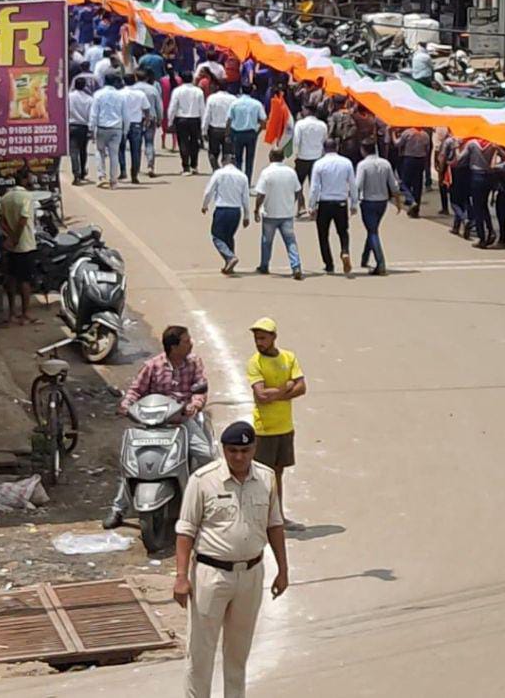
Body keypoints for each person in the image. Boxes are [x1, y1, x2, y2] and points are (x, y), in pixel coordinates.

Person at [175, 421, 288, 698]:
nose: (239, 457)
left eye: (246, 450)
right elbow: (185, 530)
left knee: (238, 654)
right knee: (201, 653)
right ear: (223, 450)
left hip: (251, 574)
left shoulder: (266, 478)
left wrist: (283, 570)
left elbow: (274, 523)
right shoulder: (203, 480)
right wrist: (180, 577)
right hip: (211, 576)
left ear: (254, 449)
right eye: (233, 450)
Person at [106, 325, 213, 530]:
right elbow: (135, 390)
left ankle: (206, 500)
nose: (190, 344)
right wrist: (126, 405)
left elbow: (200, 389)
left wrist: (194, 405)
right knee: (131, 463)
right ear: (173, 347)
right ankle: (118, 509)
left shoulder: (194, 363)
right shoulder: (152, 366)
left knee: (207, 454)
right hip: (152, 423)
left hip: (181, 421)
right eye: (186, 341)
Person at [246, 318, 307, 528]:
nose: (259, 342)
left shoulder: (288, 357)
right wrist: (286, 388)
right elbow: (261, 395)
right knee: (263, 476)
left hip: (284, 427)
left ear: (273, 337)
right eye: (256, 338)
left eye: (262, 338)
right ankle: (261, 517)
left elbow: (302, 388)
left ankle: (277, 516)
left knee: (278, 473)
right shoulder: (255, 362)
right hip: (264, 429)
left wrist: (277, 393)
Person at [252, 148, 304, 280]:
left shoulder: (267, 172)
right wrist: (292, 202)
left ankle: (264, 265)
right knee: (290, 241)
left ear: (270, 157)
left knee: (266, 241)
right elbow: (298, 190)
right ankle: (296, 266)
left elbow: (260, 194)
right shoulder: (291, 172)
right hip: (286, 213)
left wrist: (256, 209)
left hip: (270, 213)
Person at [308, 141, 357, 276]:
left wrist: (311, 206)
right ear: (336, 148)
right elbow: (352, 184)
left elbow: (314, 187)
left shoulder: (319, 164)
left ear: (324, 149)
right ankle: (345, 251)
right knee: (343, 231)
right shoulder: (346, 163)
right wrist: (354, 203)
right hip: (341, 202)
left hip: (325, 202)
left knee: (323, 235)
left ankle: (329, 264)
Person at [0, 170, 39, 324]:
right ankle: (25, 314)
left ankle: (11, 313)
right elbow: (23, 220)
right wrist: (15, 238)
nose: (31, 180)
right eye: (29, 178)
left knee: (11, 279)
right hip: (25, 244)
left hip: (10, 246)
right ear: (23, 180)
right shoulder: (27, 197)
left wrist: (10, 236)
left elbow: (1, 221)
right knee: (25, 281)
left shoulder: (6, 197)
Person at [355, 141, 402, 275]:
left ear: (363, 150)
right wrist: (398, 202)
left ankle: (380, 263)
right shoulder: (385, 163)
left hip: (368, 201)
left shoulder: (362, 165)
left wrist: (352, 201)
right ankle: (365, 257)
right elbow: (393, 185)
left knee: (372, 231)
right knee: (373, 229)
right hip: (382, 202)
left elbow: (357, 185)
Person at [201, 157, 251, 275]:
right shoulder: (242, 176)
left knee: (216, 236)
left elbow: (209, 191)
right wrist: (246, 216)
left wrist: (205, 205)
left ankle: (229, 257)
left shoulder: (219, 173)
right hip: (236, 211)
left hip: (222, 209)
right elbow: (246, 198)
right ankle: (229, 265)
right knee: (229, 237)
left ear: (224, 162)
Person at [91, 73, 127, 187]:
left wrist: (91, 128)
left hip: (102, 127)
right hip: (116, 128)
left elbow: (94, 113)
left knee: (99, 151)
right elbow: (126, 115)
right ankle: (113, 180)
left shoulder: (98, 95)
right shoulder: (120, 96)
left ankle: (101, 176)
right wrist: (125, 130)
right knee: (114, 154)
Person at [170, 72, 206, 175]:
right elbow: (202, 107)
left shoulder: (177, 91)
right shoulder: (198, 91)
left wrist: (170, 120)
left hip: (181, 119)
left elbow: (173, 106)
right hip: (195, 119)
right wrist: (203, 122)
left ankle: (186, 167)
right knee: (195, 142)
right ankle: (194, 165)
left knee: (183, 143)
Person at [227, 89, 267, 178]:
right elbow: (264, 121)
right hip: (251, 134)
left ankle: (238, 180)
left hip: (237, 133)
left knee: (237, 159)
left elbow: (229, 120)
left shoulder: (235, 103)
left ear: (241, 91)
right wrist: (257, 132)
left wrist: (227, 134)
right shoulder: (257, 104)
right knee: (250, 160)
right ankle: (247, 182)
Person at [395, 126, 431, 215]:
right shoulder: (425, 135)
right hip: (421, 159)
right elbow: (427, 149)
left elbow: (398, 144)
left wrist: (392, 133)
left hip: (409, 158)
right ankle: (416, 210)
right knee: (417, 185)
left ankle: (411, 200)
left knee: (404, 183)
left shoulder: (407, 133)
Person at [119, 73, 148, 182]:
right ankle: (134, 174)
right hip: (136, 123)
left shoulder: (119, 94)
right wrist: (147, 120)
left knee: (120, 148)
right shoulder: (140, 94)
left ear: (123, 81)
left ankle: (123, 170)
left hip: (122, 123)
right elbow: (146, 108)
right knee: (136, 150)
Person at [67, 76, 95, 185]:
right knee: (83, 150)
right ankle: (83, 171)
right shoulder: (89, 99)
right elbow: (91, 116)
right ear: (84, 86)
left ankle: (76, 174)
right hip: (84, 126)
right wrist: (91, 129)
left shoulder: (69, 97)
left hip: (71, 125)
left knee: (74, 151)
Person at [203, 85, 236, 171]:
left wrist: (204, 130)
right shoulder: (233, 99)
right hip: (228, 129)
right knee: (228, 153)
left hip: (214, 129)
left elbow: (207, 115)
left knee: (212, 152)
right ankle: (226, 170)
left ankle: (215, 169)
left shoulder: (211, 98)